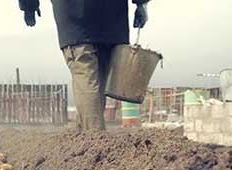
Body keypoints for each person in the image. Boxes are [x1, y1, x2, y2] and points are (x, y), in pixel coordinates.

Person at [18, 0, 150, 131]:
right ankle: (84, 137)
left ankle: (95, 139)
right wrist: (141, 4)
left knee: (86, 78)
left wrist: (28, 6)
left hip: (77, 21)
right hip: (112, 19)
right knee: (99, 84)